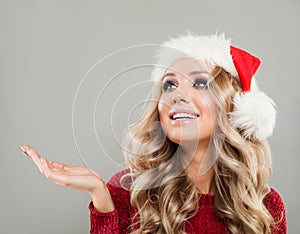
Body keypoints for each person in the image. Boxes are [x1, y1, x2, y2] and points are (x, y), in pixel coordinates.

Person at [20, 33, 287, 234]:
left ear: (232, 107)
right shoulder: (129, 191)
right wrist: (101, 199)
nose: (178, 95)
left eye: (200, 83)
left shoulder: (265, 206)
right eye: (169, 85)